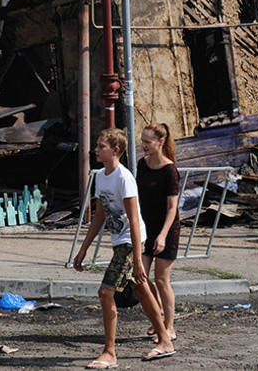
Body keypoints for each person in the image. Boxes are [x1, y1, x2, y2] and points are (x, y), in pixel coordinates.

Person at [74, 128, 177, 368]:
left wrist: (139, 258)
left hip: (130, 243)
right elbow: (100, 215)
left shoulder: (124, 177)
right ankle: (165, 341)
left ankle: (109, 353)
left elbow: (133, 219)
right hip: (119, 242)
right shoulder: (100, 176)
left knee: (105, 292)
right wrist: (83, 249)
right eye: (97, 146)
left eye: (101, 146)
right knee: (141, 289)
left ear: (115, 150)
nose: (96, 150)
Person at [137, 123, 180, 344]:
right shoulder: (141, 165)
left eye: (147, 142)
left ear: (160, 142)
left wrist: (163, 235)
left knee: (162, 279)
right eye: (142, 141)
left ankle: (170, 327)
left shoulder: (170, 170)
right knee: (139, 277)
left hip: (167, 228)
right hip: (146, 227)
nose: (143, 145)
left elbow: (172, 208)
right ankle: (159, 314)